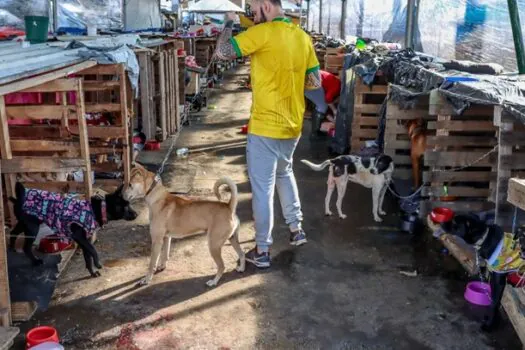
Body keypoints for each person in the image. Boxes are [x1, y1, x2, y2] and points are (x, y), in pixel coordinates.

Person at [216, 0, 324, 268]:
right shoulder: (302, 37)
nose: (251, 14)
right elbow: (314, 82)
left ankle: (262, 250)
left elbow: (222, 52)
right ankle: (296, 229)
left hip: (265, 126)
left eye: (253, 8)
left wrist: (229, 22)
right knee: (284, 173)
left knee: (262, 189)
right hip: (293, 125)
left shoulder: (261, 34)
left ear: (266, 4)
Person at [305, 69, 341, 137]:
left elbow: (326, 108)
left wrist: (334, 121)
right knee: (322, 106)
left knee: (322, 106)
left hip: (311, 80)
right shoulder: (337, 87)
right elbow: (327, 99)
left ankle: (315, 131)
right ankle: (315, 133)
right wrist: (334, 110)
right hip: (311, 81)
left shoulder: (334, 85)